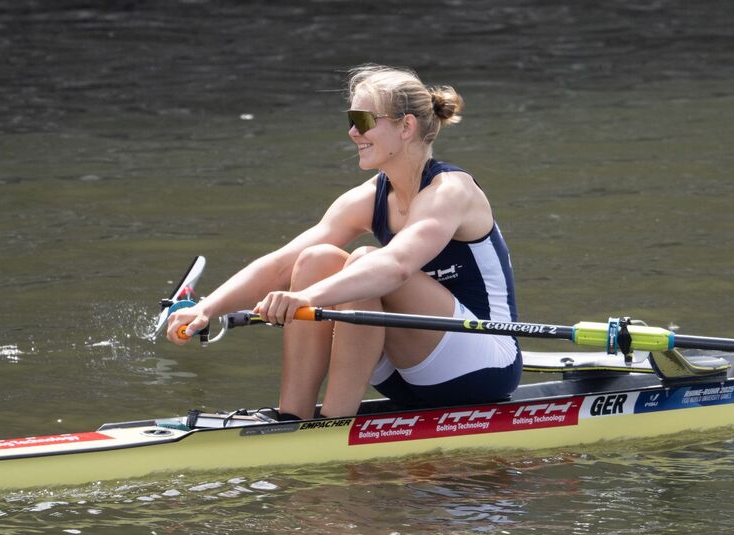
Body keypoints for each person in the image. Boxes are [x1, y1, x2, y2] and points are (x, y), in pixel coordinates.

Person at [167, 64, 522, 420]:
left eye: (364, 120)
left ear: (406, 127)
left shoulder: (450, 191)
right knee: (314, 259)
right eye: (351, 120)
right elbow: (280, 265)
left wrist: (306, 299)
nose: (353, 132)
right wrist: (206, 308)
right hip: (406, 373)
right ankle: (292, 417)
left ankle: (335, 422)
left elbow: (395, 267)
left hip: (482, 368)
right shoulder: (368, 198)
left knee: (366, 259)